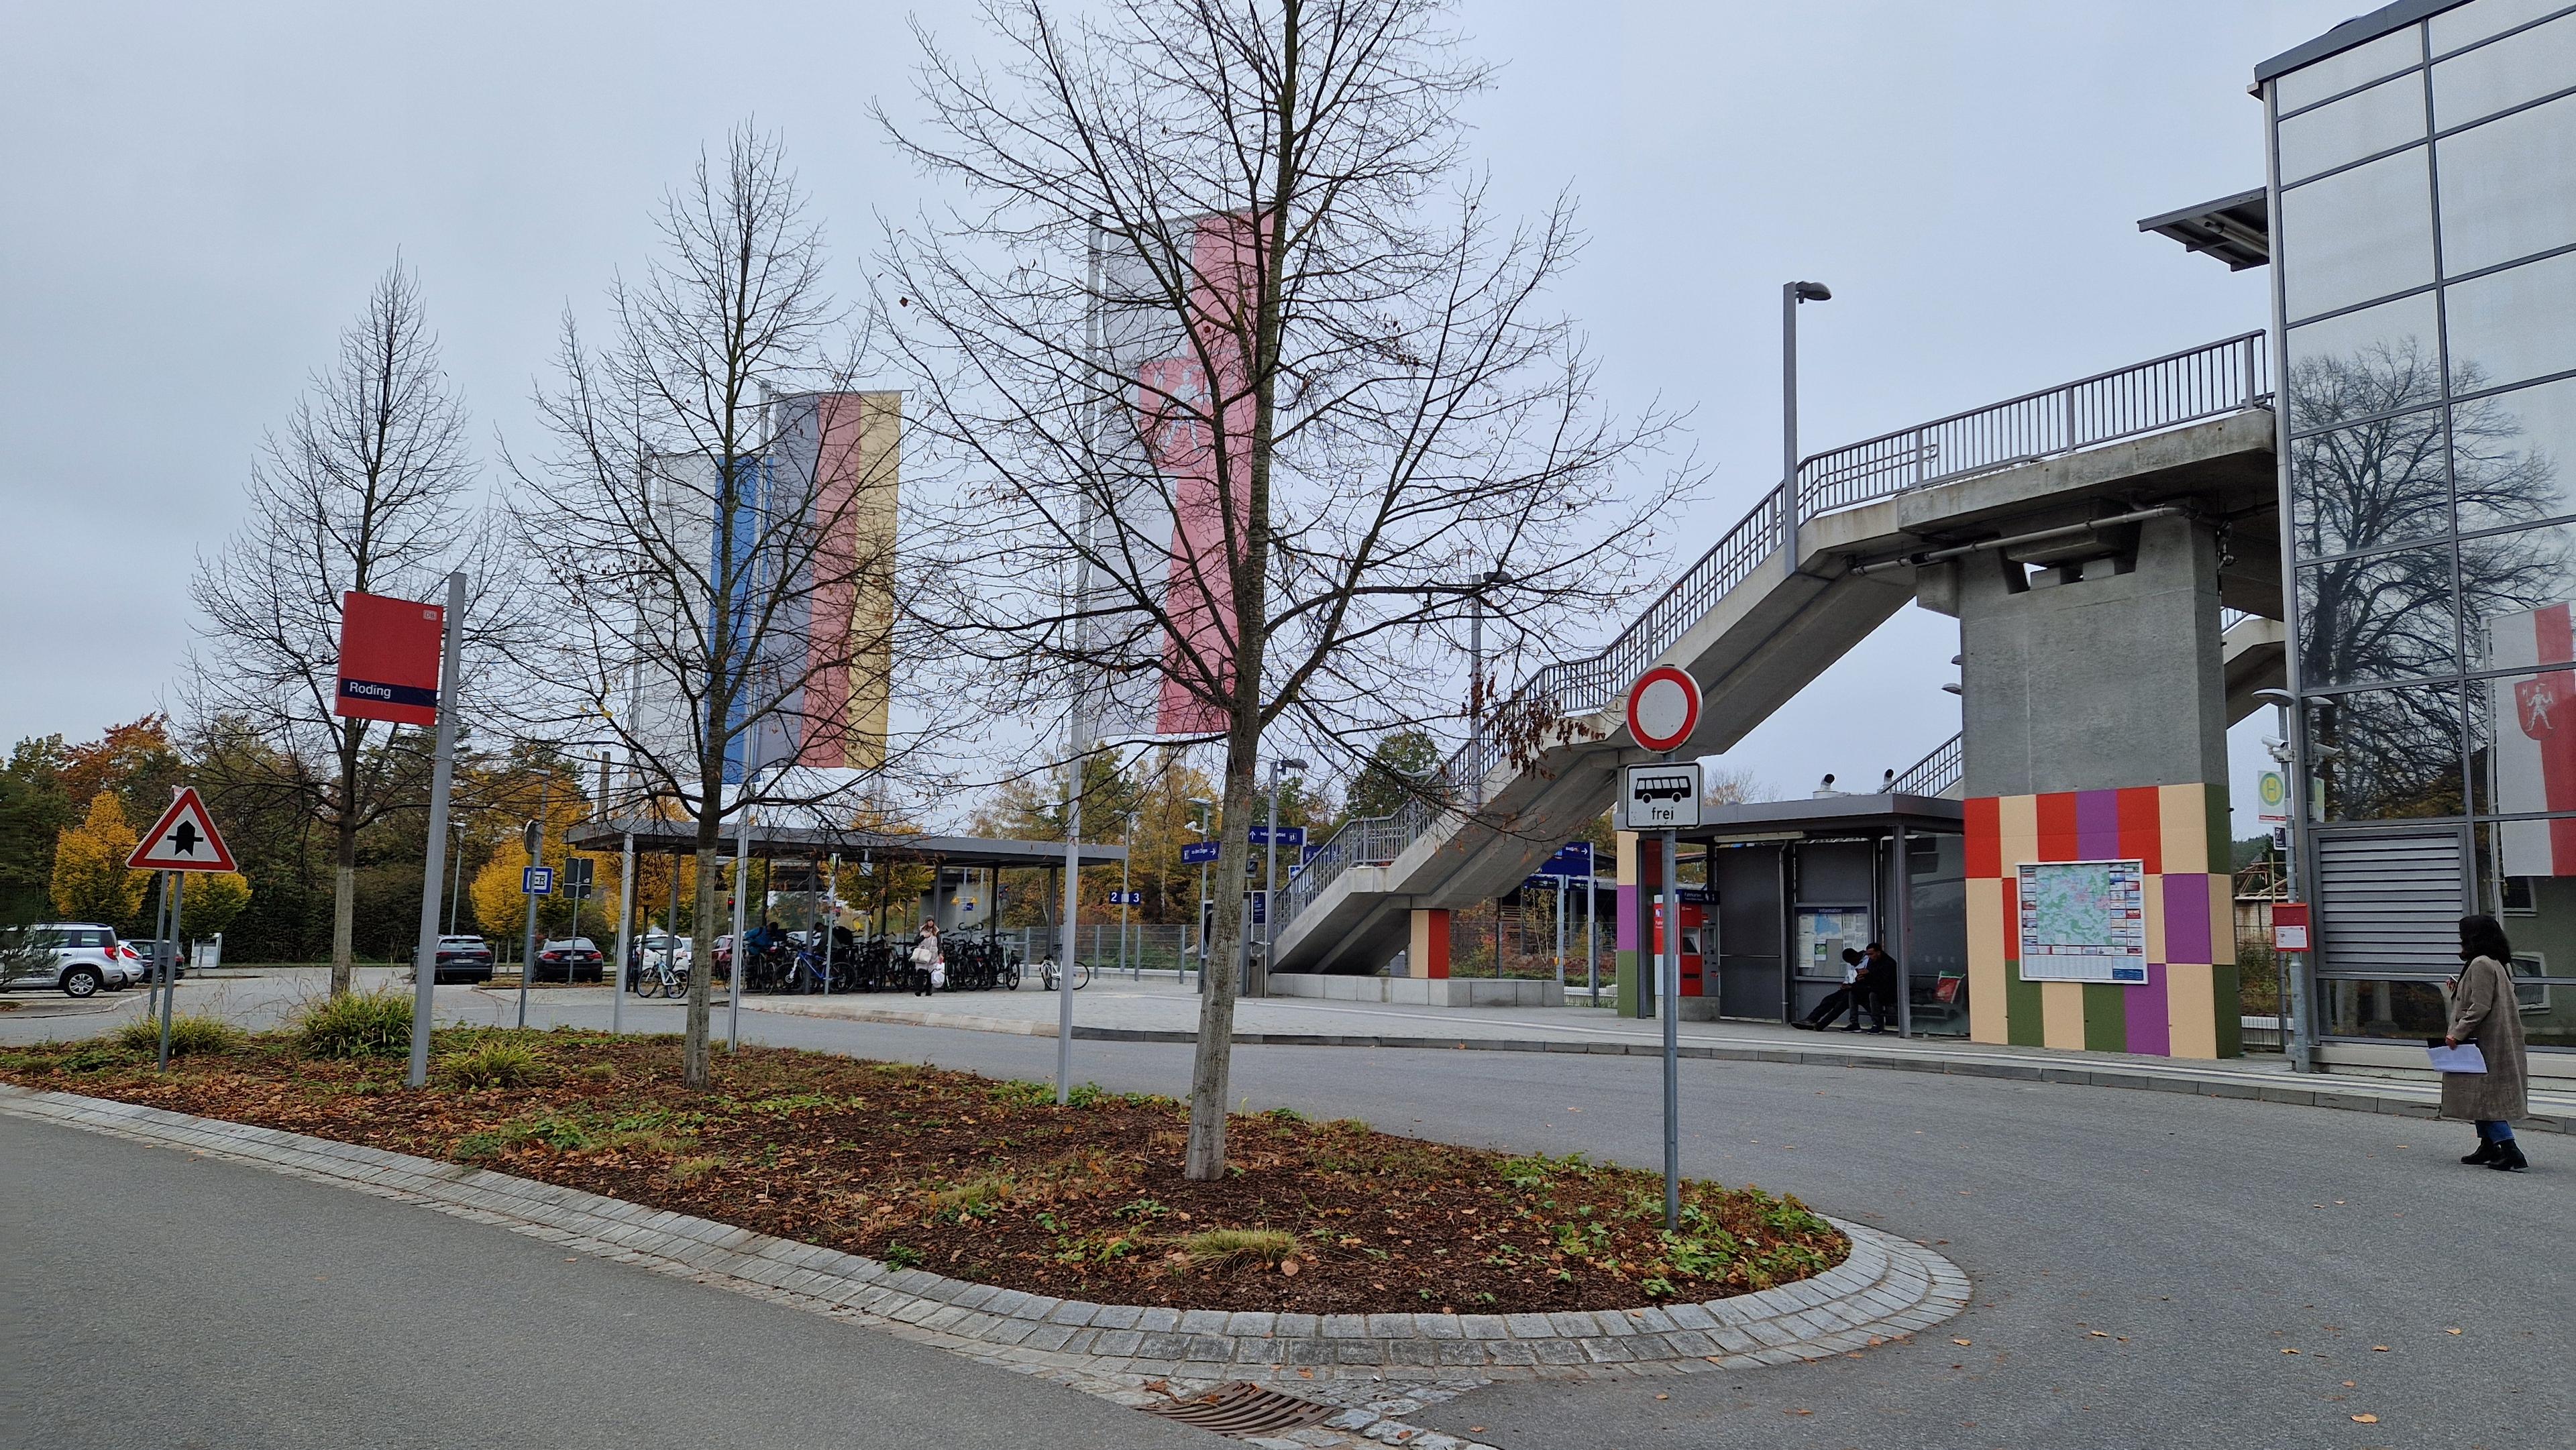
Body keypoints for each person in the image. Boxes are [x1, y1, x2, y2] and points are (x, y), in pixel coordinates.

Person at [2445, 914, 2530, 1172]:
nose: (2460, 940)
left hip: (2485, 1043)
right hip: (2494, 1040)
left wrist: (2456, 1034)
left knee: (2486, 1096)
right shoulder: (2496, 963)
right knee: (2479, 1094)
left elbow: (2479, 1006)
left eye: (2464, 936)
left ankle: (2510, 1150)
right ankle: (2488, 1146)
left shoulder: (2481, 964)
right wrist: (2459, 989)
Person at [1793, 949, 1865, 1030]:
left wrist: (1852, 986)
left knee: (1841, 1004)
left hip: (1860, 990)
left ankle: (1820, 1025)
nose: (1852, 964)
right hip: (1850, 988)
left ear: (1856, 956)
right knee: (1829, 999)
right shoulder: (1853, 963)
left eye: (1852, 961)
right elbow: (1849, 977)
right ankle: (1811, 1019)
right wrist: (1845, 984)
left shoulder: (1867, 961)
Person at [910, 919, 944, 997]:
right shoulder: (921, 930)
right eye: (929, 921)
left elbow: (939, 943)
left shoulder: (936, 931)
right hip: (923, 954)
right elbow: (916, 940)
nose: (931, 923)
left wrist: (940, 953)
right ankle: (918, 990)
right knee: (920, 973)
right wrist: (923, 936)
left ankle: (928, 990)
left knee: (931, 973)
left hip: (932, 955)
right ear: (926, 922)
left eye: (932, 921)